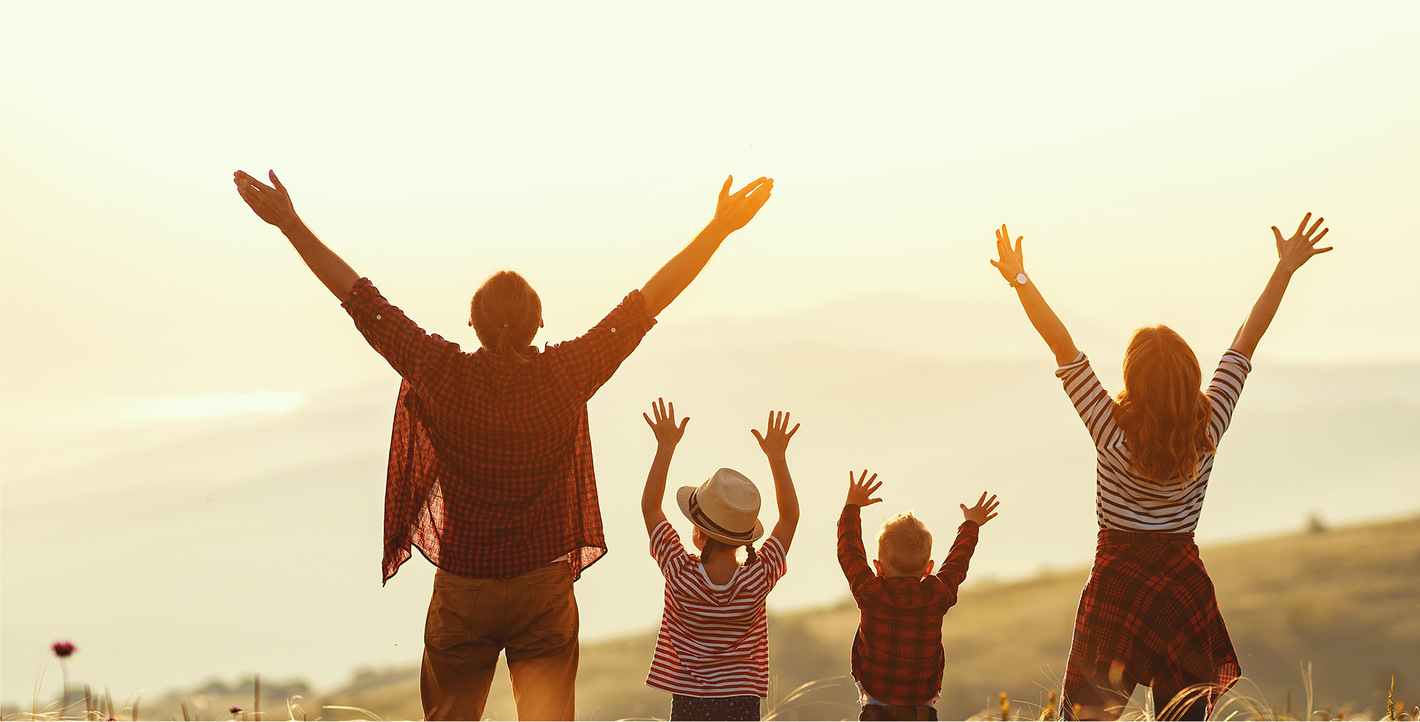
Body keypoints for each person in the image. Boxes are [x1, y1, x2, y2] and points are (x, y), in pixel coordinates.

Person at [232, 168, 774, 722]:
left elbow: (360, 300)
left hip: (463, 585)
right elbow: (645, 305)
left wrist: (290, 224)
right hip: (544, 587)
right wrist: (717, 229)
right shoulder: (567, 373)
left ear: (472, 323)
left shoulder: (438, 371)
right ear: (540, 323)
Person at [990, 214, 1331, 721]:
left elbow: (1062, 346)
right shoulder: (1208, 427)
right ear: (1193, 375)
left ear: (1132, 377)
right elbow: (1246, 341)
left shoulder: (1109, 430)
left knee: (1085, 720)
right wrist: (1284, 270)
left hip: (1117, 585)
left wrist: (1021, 280)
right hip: (1180, 586)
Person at [639, 399, 800, 721]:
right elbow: (789, 518)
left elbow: (651, 508)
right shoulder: (758, 578)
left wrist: (665, 446)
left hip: (689, 700)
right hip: (743, 700)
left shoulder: (679, 572)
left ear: (698, 534)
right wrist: (778, 458)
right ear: (745, 537)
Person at [837, 471, 999, 721]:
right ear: (928, 568)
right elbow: (956, 564)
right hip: (922, 709)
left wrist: (852, 507)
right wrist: (971, 525)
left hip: (875, 705)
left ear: (878, 567)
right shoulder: (937, 595)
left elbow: (849, 552)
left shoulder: (870, 593)